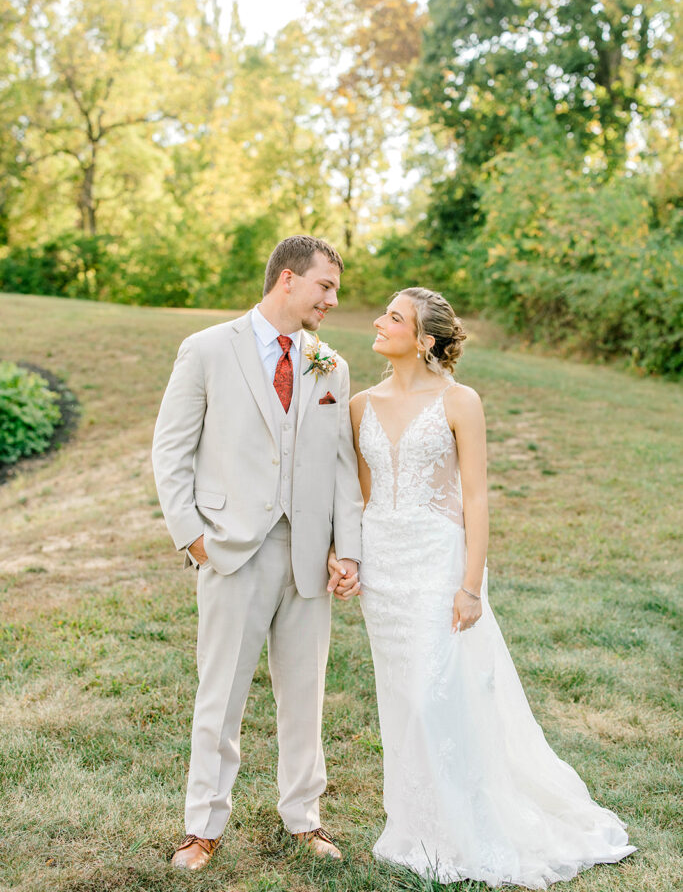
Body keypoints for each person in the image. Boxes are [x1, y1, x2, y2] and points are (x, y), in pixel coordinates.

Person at [346, 286, 635, 888]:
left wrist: (470, 584)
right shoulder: (359, 405)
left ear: (424, 340)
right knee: (402, 698)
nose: (379, 321)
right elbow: (364, 496)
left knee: (435, 695)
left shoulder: (460, 401)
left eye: (393, 318)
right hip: (385, 567)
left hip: (438, 563)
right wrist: (348, 557)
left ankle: (470, 825)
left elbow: (475, 496)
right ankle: (418, 825)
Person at [152, 235, 362, 872]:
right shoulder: (209, 348)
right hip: (230, 550)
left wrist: (345, 549)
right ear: (289, 279)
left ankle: (304, 818)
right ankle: (202, 825)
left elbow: (342, 466)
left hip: (307, 556)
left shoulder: (331, 365)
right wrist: (193, 537)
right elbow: (171, 450)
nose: (331, 299)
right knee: (221, 696)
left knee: (307, 694)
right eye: (325, 286)